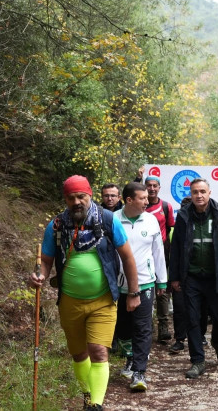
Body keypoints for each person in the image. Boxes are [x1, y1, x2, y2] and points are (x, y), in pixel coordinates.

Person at [28, 175, 140, 411]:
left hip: (104, 300)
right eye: (71, 198)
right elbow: (46, 260)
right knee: (79, 354)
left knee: (99, 351)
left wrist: (133, 292)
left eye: (81, 196)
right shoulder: (57, 226)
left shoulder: (108, 221)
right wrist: (40, 274)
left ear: (90, 196)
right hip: (70, 301)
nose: (77, 201)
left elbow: (128, 257)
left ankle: (96, 404)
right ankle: (87, 394)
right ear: (65, 199)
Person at [168, 178, 218, 379]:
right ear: (190, 194)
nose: (199, 195)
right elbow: (177, 248)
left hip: (215, 278)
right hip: (191, 278)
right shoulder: (183, 215)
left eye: (202, 191)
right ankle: (197, 360)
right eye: (195, 192)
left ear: (209, 192)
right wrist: (175, 277)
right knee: (192, 319)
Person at [113, 182, 166, 391]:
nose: (147, 201)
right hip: (117, 285)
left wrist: (162, 280)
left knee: (143, 328)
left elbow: (158, 251)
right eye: (142, 198)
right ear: (129, 200)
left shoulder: (151, 220)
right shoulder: (113, 220)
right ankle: (129, 357)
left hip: (145, 283)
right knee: (122, 327)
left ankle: (139, 372)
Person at [139, 173, 181, 350]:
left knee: (163, 288)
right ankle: (146, 326)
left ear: (159, 188)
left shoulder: (166, 206)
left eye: (155, 186)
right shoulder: (139, 206)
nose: (152, 189)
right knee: (143, 286)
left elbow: (172, 229)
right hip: (141, 250)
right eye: (148, 185)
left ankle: (163, 326)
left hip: (162, 250)